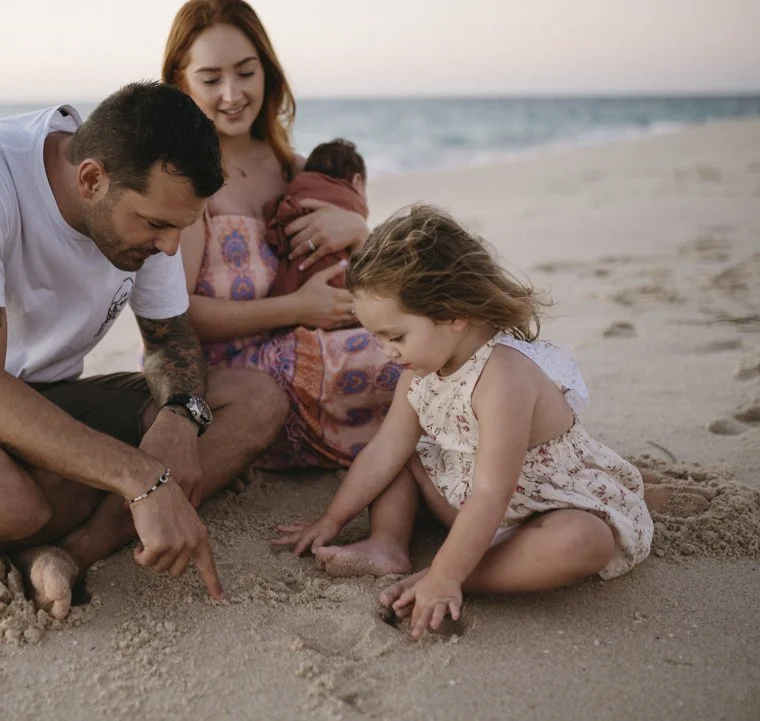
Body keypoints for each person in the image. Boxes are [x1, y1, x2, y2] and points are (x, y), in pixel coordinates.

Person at [0, 81, 290, 619]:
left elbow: (171, 341)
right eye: (156, 225)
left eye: (182, 227)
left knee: (256, 399)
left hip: (50, 398)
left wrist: (179, 421)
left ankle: (73, 550)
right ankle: (79, 505)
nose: (170, 247)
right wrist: (142, 475)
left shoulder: (152, 203)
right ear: (92, 179)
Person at [273, 205, 654, 639]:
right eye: (376, 338)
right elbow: (384, 452)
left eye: (395, 336)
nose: (387, 353)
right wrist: (332, 519)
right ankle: (388, 542)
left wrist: (448, 574)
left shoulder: (504, 377)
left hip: (541, 504)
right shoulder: (419, 373)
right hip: (462, 494)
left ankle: (451, 574)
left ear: (453, 314)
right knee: (401, 458)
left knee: (586, 541)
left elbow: (494, 491)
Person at [163, 0, 403, 479]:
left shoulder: (296, 170)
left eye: (245, 72)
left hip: (316, 352)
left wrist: (360, 233)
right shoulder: (184, 180)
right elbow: (175, 317)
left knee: (432, 337)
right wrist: (296, 308)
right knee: (410, 364)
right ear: (181, 83)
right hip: (232, 385)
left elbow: (353, 273)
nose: (232, 94)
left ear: (267, 74)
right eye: (211, 79)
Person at [264, 138, 368, 299]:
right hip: (335, 274)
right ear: (357, 181)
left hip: (292, 280)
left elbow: (273, 229)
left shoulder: (292, 195)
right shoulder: (351, 202)